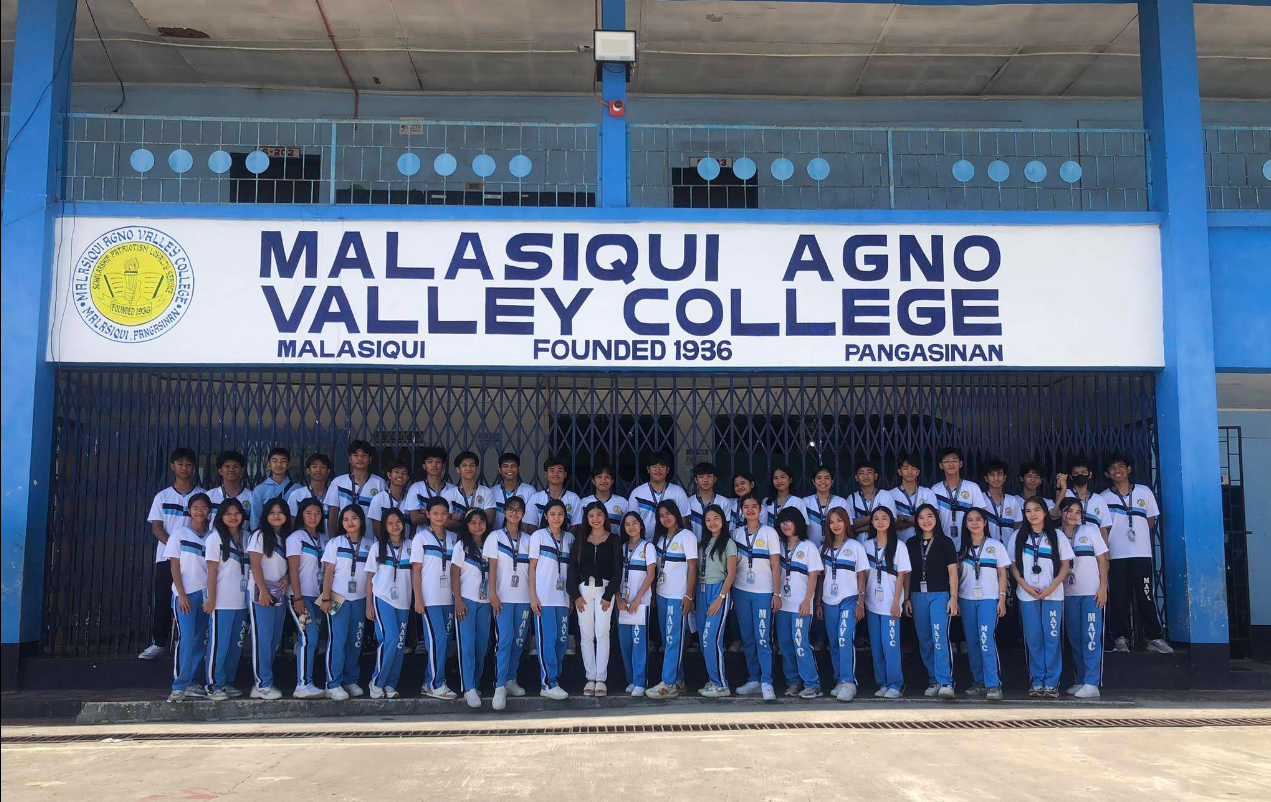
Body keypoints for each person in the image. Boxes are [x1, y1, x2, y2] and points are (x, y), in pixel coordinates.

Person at [1099, 453, 1173, 654]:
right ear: (1107, 474)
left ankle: (1154, 637)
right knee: (1119, 597)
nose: (1117, 470)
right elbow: (1103, 529)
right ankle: (1121, 639)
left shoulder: (1144, 492)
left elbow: (1150, 521)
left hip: (1141, 554)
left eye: (1121, 466)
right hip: (1116, 555)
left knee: (1146, 595)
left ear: (1129, 469)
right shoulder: (1103, 498)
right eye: (1112, 468)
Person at [142, 447, 205, 660]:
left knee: (194, 599)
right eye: (180, 464)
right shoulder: (163, 496)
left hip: (196, 560)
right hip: (166, 558)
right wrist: (175, 547)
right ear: (172, 466)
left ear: (194, 467)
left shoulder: (202, 495)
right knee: (163, 599)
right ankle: (159, 642)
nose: (184, 468)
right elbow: (157, 527)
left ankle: (188, 642)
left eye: (188, 464)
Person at [1010, 497, 1073, 698]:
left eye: (1037, 509)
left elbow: (1065, 566)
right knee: (1034, 639)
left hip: (1052, 595)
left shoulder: (1057, 536)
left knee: (1052, 638)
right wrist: (1026, 587)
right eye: (1028, 511)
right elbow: (1012, 566)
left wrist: (1051, 588)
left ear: (1045, 512)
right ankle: (1037, 681)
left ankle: (1052, 682)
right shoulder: (1017, 537)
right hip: (1027, 595)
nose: (1033, 514)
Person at [904, 503, 959, 699]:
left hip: (940, 594)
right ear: (916, 521)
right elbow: (907, 573)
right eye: (921, 517)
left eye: (930, 516)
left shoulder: (945, 542)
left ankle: (946, 681)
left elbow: (953, 571)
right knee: (925, 639)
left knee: (939, 637)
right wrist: (907, 597)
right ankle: (933, 679)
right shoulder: (911, 543)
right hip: (918, 595)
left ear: (936, 519)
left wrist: (954, 597)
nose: (926, 521)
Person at [730, 493, 781, 700]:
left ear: (760, 509)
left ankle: (767, 681)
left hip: (763, 591)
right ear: (741, 510)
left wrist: (776, 593)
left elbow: (776, 565)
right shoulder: (735, 533)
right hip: (741, 591)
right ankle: (754, 678)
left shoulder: (770, 533)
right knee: (747, 637)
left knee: (763, 637)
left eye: (754, 506)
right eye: (746, 507)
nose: (750, 510)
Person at [646, 500, 698, 699]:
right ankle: (679, 680)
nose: (665, 518)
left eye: (669, 513)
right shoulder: (659, 538)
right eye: (661, 515)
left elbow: (692, 567)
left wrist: (688, 595)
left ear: (677, 514)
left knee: (673, 639)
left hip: (678, 595)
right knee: (668, 640)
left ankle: (667, 684)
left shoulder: (687, 536)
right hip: (662, 594)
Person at [1058, 497, 1109, 699]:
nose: (1073, 515)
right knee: (1075, 638)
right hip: (1068, 594)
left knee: (1091, 637)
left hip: (1091, 593)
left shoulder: (1090, 531)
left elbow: (1102, 560)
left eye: (1078, 512)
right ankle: (1081, 679)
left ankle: (1092, 682)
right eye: (1069, 511)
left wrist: (1103, 587)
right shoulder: (1055, 535)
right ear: (1061, 513)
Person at [318, 504, 371, 700]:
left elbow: (371, 576)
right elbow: (328, 572)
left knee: (355, 642)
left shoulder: (369, 544)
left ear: (361, 521)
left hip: (359, 599)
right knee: (337, 641)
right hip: (337, 598)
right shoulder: (335, 543)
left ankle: (350, 680)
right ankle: (333, 683)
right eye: (345, 519)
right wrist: (325, 598)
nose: (350, 522)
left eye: (354, 518)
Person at [484, 494, 532, 710]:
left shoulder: (529, 540)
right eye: (510, 509)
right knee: (504, 641)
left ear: (523, 514)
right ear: (504, 512)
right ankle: (500, 685)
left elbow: (533, 571)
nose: (514, 512)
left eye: (518, 509)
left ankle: (511, 679)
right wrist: (492, 593)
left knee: (518, 641)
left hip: (523, 599)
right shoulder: (495, 537)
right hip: (502, 598)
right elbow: (492, 568)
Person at [569, 501, 621, 696]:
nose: (595, 519)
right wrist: (575, 595)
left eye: (599, 515)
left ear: (605, 517)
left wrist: (609, 595)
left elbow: (618, 570)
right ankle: (590, 677)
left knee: (602, 633)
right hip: (584, 591)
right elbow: (572, 569)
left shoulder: (613, 539)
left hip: (604, 591)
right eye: (591, 516)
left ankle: (601, 678)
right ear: (586, 518)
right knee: (586, 635)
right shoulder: (581, 539)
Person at [164, 492, 212, 701]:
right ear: (189, 511)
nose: (199, 512)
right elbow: (174, 565)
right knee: (186, 638)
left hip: (206, 595)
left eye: (203, 508)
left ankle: (194, 682)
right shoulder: (179, 534)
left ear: (209, 511)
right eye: (195, 508)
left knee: (201, 639)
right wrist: (181, 594)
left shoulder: (213, 536)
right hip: (185, 594)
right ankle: (179, 684)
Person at [958, 508, 1010, 700]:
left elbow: (1002, 574)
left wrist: (1002, 598)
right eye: (970, 520)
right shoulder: (962, 547)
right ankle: (979, 682)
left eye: (978, 519)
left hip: (989, 598)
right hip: (967, 599)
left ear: (985, 522)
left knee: (986, 639)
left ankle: (993, 684)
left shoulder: (995, 545)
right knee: (972, 643)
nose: (975, 523)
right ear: (965, 524)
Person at [411, 497, 459, 699]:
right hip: (430, 599)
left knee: (444, 642)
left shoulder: (455, 538)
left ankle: (430, 681)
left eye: (444, 513)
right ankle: (435, 683)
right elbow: (416, 570)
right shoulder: (421, 538)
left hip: (448, 599)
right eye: (435, 513)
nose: (440, 517)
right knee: (436, 640)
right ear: (428, 514)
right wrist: (418, 599)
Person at [818, 507, 868, 702]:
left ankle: (849, 681)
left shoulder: (855, 546)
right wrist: (818, 603)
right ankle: (839, 678)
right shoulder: (825, 548)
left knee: (844, 638)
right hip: (829, 601)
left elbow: (861, 576)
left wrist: (860, 602)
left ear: (846, 522)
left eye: (839, 521)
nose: (836, 525)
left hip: (849, 599)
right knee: (833, 642)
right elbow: (821, 578)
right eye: (832, 522)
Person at [203, 498, 250, 701]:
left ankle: (227, 682)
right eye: (228, 513)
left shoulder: (248, 538)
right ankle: (213, 684)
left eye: (237, 513)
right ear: (221, 516)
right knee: (219, 644)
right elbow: (212, 570)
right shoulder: (215, 538)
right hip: (221, 601)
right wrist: (211, 598)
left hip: (241, 601)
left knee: (235, 644)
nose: (233, 517)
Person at [246, 498, 292, 700]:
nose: (276, 515)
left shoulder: (286, 537)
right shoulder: (259, 535)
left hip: (280, 593)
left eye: (280, 512)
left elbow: (289, 565)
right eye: (272, 512)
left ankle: (265, 680)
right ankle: (262, 683)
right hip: (261, 593)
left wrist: (288, 577)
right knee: (262, 639)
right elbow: (255, 564)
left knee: (273, 640)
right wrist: (263, 590)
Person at [774, 508, 823, 698]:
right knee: (785, 644)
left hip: (801, 604)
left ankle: (812, 683)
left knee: (800, 643)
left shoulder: (808, 547)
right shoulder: (778, 545)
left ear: (798, 523)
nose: (786, 525)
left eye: (790, 521)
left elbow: (814, 576)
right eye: (783, 521)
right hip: (782, 604)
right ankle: (793, 682)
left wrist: (807, 600)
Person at [863, 507, 910, 699]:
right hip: (871, 603)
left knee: (890, 644)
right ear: (872, 522)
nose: (880, 521)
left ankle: (896, 684)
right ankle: (882, 682)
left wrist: (897, 601)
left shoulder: (899, 546)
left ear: (891, 521)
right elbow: (863, 576)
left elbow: (902, 576)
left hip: (891, 603)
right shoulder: (866, 546)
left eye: (884, 518)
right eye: (876, 518)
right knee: (876, 645)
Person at [529, 499, 574, 700]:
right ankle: (547, 683)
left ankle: (556, 679)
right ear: (546, 516)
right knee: (547, 641)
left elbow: (571, 571)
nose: (557, 518)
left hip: (563, 598)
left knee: (561, 640)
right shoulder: (538, 536)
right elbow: (531, 567)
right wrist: (532, 595)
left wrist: (572, 596)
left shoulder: (570, 538)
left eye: (560, 514)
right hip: (544, 597)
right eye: (552, 514)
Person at [366, 507, 413, 699]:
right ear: (384, 527)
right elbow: (370, 578)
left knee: (399, 643)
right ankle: (377, 681)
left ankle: (390, 683)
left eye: (398, 522)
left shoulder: (411, 545)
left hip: (404, 601)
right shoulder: (378, 547)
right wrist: (369, 604)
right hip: (383, 598)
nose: (395, 526)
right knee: (390, 638)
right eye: (390, 523)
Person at [285, 498, 327, 699]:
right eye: (309, 513)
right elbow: (293, 569)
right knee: (307, 638)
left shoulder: (324, 539)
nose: (313, 517)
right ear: (302, 515)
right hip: (301, 597)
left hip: (319, 597)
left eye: (317, 513)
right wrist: (298, 597)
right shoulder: (296, 538)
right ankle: (302, 684)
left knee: (316, 639)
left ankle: (309, 680)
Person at [452, 509, 494, 708]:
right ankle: (468, 687)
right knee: (467, 645)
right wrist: (458, 600)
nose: (478, 526)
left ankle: (476, 683)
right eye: (473, 522)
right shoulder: (461, 546)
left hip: (485, 603)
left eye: (481, 521)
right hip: (467, 601)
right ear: (466, 526)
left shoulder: (491, 544)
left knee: (481, 645)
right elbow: (454, 574)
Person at [695, 504, 737, 698]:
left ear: (723, 520)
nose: (712, 523)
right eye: (708, 520)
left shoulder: (728, 543)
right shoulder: (702, 543)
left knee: (711, 638)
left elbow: (731, 574)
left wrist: (720, 598)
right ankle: (712, 679)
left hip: (718, 591)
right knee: (704, 641)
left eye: (716, 519)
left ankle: (721, 683)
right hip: (701, 591)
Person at [617, 511, 657, 697]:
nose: (631, 527)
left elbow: (650, 575)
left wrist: (638, 598)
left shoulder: (648, 547)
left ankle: (641, 681)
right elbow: (615, 574)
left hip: (640, 603)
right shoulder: (621, 547)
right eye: (627, 524)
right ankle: (631, 679)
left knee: (638, 642)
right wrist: (619, 597)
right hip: (623, 603)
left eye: (635, 523)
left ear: (641, 525)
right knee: (625, 643)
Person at [324, 441, 386, 538]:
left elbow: (382, 515)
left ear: (370, 459)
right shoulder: (338, 482)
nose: (360, 458)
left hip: (369, 540)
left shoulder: (379, 483)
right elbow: (333, 513)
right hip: (343, 539)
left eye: (364, 455)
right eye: (356, 455)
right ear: (350, 459)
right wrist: (333, 539)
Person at [929, 447, 987, 549]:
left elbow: (980, 515)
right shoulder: (935, 489)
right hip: (943, 542)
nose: (951, 464)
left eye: (954, 461)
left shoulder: (973, 487)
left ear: (960, 464)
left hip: (969, 542)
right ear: (941, 466)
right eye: (946, 461)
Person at [628, 450, 691, 535]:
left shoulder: (678, 493)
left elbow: (684, 522)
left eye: (662, 466)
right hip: (644, 543)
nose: (658, 470)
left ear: (668, 470)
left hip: (671, 544)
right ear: (648, 469)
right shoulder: (637, 493)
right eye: (654, 466)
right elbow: (632, 521)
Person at [1054, 456, 1110, 534]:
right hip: (1068, 543)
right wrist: (1061, 489)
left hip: (1092, 544)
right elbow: (1056, 514)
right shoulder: (1065, 494)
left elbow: (1103, 528)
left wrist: (1104, 546)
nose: (1080, 475)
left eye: (1084, 472)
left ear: (1090, 474)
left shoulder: (1099, 499)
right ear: (1071, 476)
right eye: (1076, 473)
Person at [287, 453, 333, 544]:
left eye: (323, 467)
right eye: (314, 466)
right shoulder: (297, 495)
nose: (318, 470)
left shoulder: (334, 495)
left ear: (328, 471)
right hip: (303, 543)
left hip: (328, 543)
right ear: (308, 471)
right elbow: (291, 522)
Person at [526, 456, 582, 530]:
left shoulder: (574, 499)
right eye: (552, 470)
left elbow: (576, 526)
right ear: (546, 474)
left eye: (560, 471)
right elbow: (530, 525)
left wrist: (566, 541)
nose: (556, 474)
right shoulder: (536, 498)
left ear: (565, 475)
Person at [892, 453, 937, 542]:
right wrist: (914, 520)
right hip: (899, 544)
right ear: (899, 472)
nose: (910, 471)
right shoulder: (890, 495)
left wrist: (904, 518)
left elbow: (934, 519)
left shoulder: (928, 493)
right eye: (905, 468)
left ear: (918, 472)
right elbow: (892, 524)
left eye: (913, 468)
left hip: (924, 543)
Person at [405, 446, 454, 528]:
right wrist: (445, 515)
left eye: (438, 461)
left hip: (448, 537)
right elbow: (415, 518)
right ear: (424, 466)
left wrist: (426, 512)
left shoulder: (452, 489)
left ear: (443, 466)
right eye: (430, 462)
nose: (434, 465)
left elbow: (456, 518)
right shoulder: (416, 488)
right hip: (424, 537)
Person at [250, 447, 297, 530]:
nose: (279, 464)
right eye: (275, 461)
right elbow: (255, 515)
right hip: (267, 534)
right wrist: (256, 534)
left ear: (288, 465)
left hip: (292, 534)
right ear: (269, 465)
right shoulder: (260, 490)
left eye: (283, 461)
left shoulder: (298, 489)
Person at [490, 452, 537, 534]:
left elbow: (531, 521)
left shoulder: (529, 491)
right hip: (497, 537)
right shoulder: (492, 492)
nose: (509, 469)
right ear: (499, 470)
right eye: (505, 466)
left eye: (513, 466)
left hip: (521, 538)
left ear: (519, 469)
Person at [802, 465, 848, 546]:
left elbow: (848, 528)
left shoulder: (841, 502)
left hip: (836, 549)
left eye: (827, 478)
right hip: (810, 548)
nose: (823, 481)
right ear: (813, 481)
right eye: (819, 478)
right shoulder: (805, 502)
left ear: (832, 481)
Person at [578, 462, 629, 536]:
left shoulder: (622, 502)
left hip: (615, 545)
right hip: (590, 545)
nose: (603, 480)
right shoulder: (584, 503)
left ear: (612, 481)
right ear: (593, 481)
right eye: (599, 477)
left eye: (607, 477)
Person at [444, 451, 492, 530]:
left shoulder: (486, 492)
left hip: (480, 540)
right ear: (458, 470)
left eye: (472, 465)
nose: (468, 468)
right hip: (455, 540)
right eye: (464, 466)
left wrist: (460, 517)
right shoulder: (449, 494)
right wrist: (475, 523)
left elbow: (489, 521)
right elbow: (445, 522)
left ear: (477, 468)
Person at [207, 450, 253, 530]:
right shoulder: (210, 496)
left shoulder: (251, 496)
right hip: (216, 541)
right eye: (227, 466)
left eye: (235, 466)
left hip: (243, 541)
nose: (231, 469)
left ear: (242, 470)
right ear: (220, 471)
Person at [848, 460, 895, 537]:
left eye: (869, 472)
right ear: (856, 477)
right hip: (859, 543)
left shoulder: (885, 495)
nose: (865, 476)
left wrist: (861, 528)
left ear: (875, 476)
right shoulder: (852, 498)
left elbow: (892, 521)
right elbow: (850, 523)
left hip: (883, 541)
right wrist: (876, 517)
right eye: (861, 473)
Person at [981, 458, 1024, 543]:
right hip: (986, 547)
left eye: (999, 474)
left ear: (1004, 478)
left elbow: (1017, 527)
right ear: (986, 478)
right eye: (992, 475)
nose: (996, 478)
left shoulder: (1012, 501)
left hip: (1009, 548)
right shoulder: (980, 499)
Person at [688, 462, 734, 540]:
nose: (705, 480)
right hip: (695, 545)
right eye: (701, 477)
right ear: (696, 480)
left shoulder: (724, 502)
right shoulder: (689, 502)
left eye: (709, 476)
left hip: (717, 545)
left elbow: (726, 527)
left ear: (714, 479)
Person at [368, 459, 411, 538]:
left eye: (404, 473)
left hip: (404, 547)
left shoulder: (410, 499)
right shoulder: (379, 499)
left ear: (407, 477)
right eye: (396, 472)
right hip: (384, 545)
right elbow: (376, 528)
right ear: (389, 475)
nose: (400, 475)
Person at [764, 464, 807, 529]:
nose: (779, 481)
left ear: (790, 480)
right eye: (775, 478)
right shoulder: (765, 501)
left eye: (783, 477)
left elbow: (803, 525)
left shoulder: (797, 501)